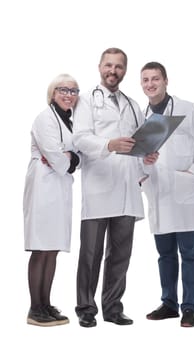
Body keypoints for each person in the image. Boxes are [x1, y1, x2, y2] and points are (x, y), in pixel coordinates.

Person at [72, 48, 158, 328]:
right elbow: (80, 139)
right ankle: (86, 308)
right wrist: (109, 144)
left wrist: (148, 155)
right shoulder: (86, 101)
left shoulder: (133, 105)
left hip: (127, 189)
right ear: (100, 67)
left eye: (119, 67)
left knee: (121, 254)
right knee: (91, 253)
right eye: (109, 65)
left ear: (125, 70)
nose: (113, 71)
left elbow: (141, 143)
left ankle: (113, 307)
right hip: (99, 187)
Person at [140, 62, 194, 327]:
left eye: (155, 79)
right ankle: (168, 304)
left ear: (166, 81)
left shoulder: (188, 109)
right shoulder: (142, 118)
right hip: (158, 192)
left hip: (184, 191)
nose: (150, 84)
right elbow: (138, 156)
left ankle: (190, 308)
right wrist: (143, 171)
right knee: (164, 254)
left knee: (189, 253)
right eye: (145, 80)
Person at [23, 74, 81, 326]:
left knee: (52, 248)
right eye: (63, 89)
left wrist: (71, 157)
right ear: (52, 93)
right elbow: (57, 159)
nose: (69, 94)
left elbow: (79, 155)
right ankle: (35, 308)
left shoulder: (70, 121)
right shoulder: (45, 118)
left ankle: (46, 304)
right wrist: (67, 158)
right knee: (41, 247)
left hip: (59, 189)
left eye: (73, 90)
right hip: (44, 187)